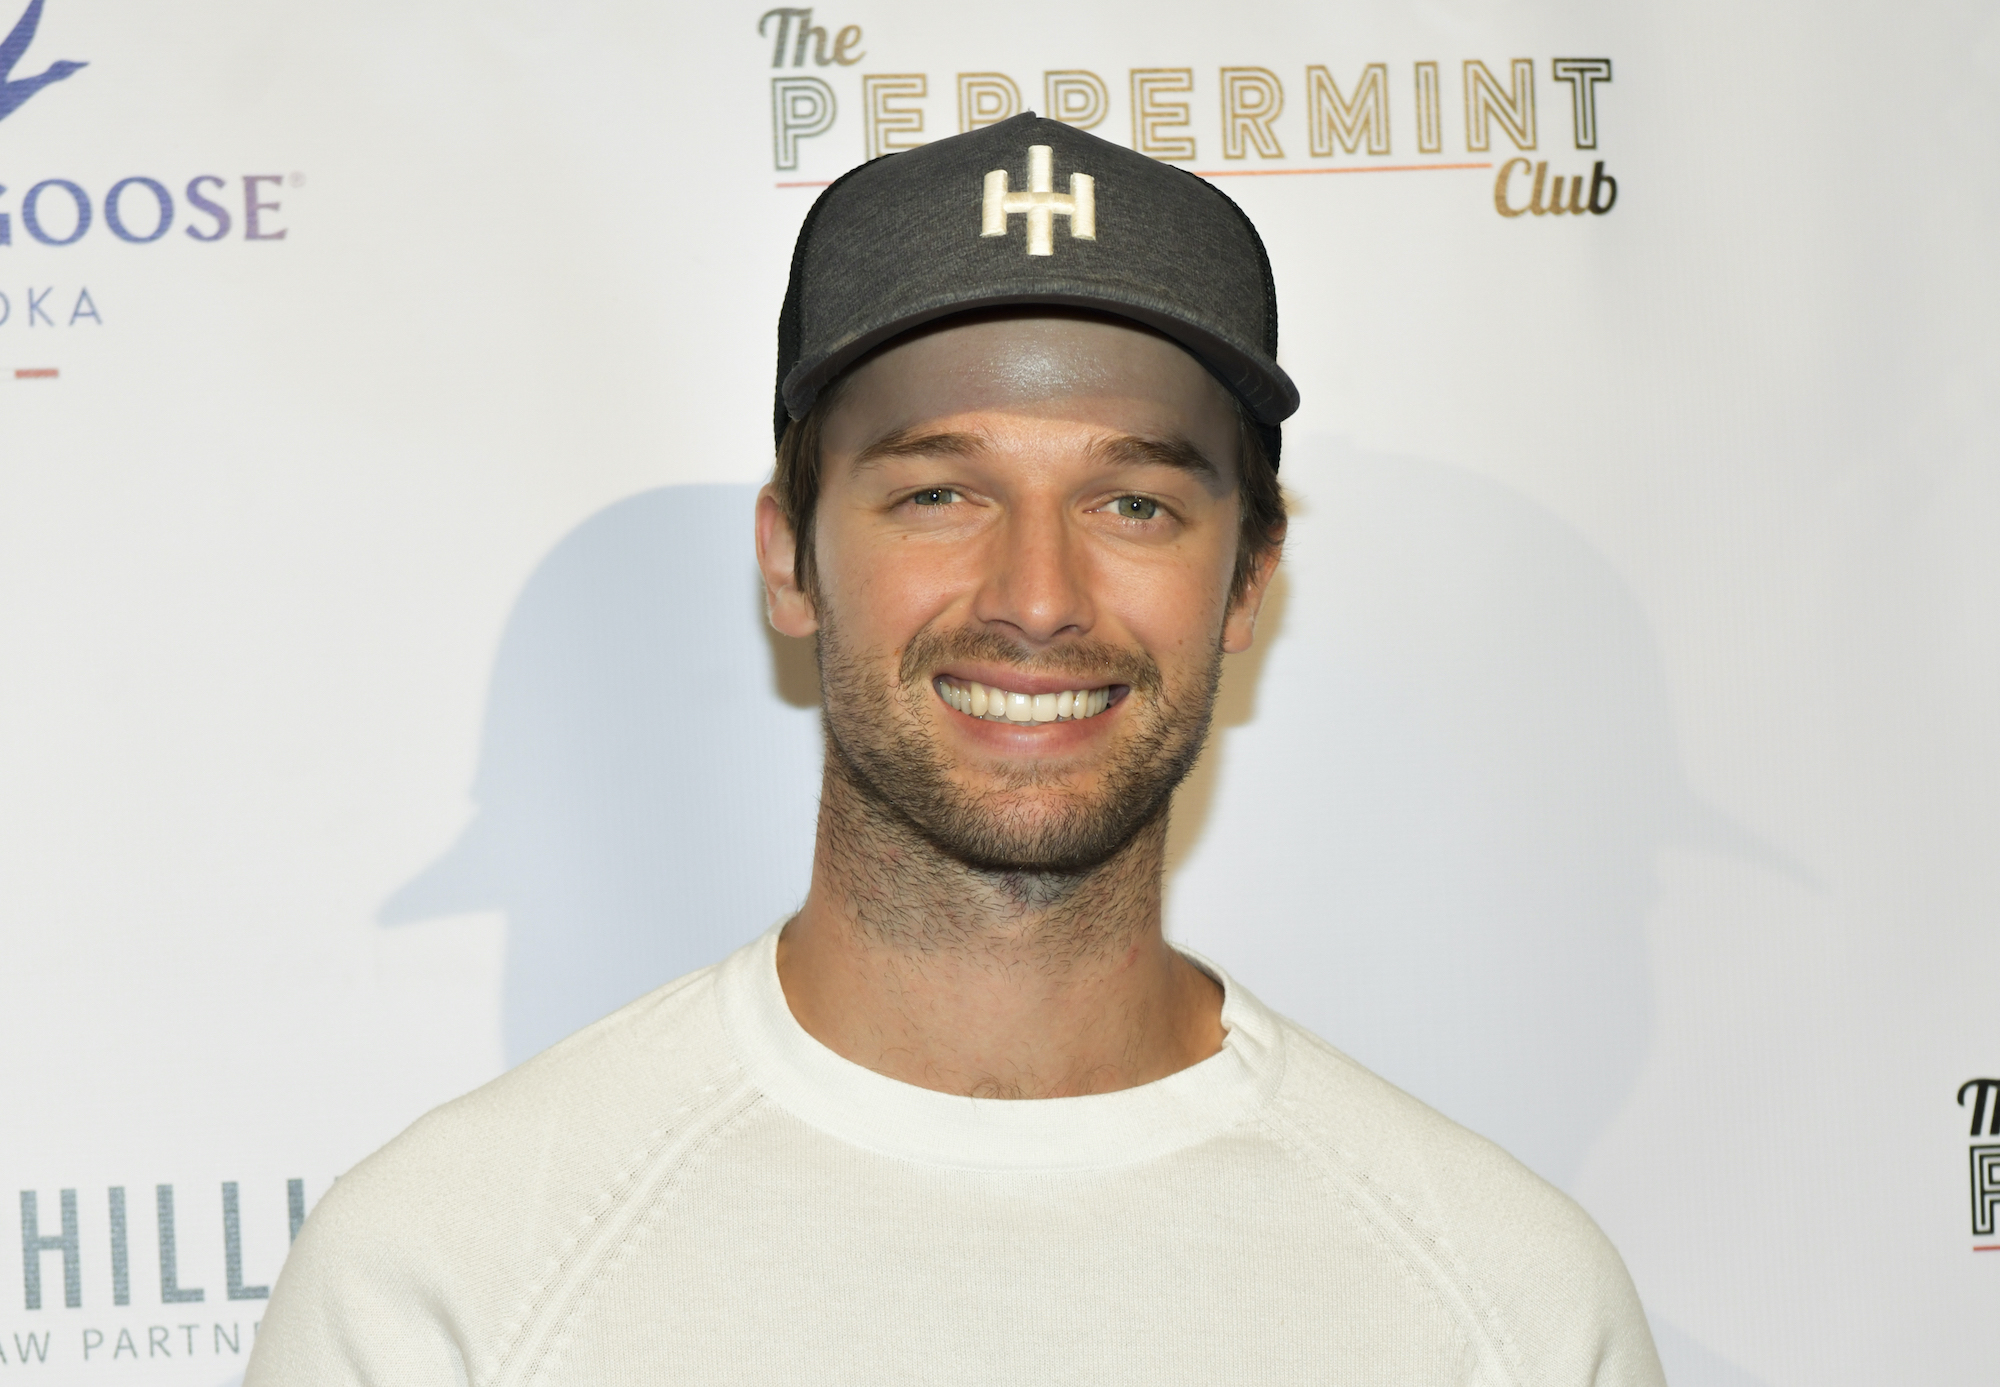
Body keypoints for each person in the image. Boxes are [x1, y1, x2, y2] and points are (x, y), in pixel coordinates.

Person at [248, 113, 1665, 1386]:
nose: (1036, 596)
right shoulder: (440, 1283)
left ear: (1248, 581)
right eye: (939, 492)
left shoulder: (1506, 1307)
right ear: (789, 562)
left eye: (1134, 506)